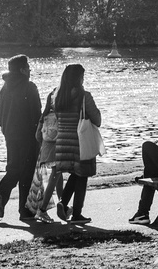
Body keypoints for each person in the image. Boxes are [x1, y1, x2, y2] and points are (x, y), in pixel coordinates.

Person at [48, 64, 100, 222]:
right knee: (82, 175)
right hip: (80, 140)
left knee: (75, 174)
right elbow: (97, 120)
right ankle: (77, 214)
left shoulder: (57, 96)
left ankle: (63, 203)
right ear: (79, 78)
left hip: (62, 141)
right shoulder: (84, 96)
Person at [0, 54, 42, 220]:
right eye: (28, 67)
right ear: (22, 70)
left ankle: (2, 194)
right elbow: (36, 114)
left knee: (13, 168)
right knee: (27, 172)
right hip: (28, 135)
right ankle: (25, 210)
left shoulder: (4, 89)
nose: (30, 70)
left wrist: (6, 129)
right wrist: (39, 134)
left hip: (10, 135)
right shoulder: (29, 87)